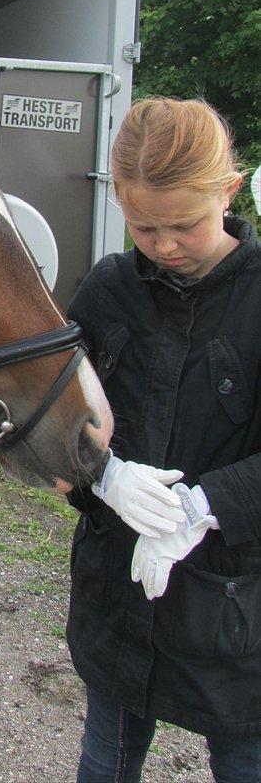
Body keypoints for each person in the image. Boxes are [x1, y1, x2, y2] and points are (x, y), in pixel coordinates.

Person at [62, 97, 260, 782]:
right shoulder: (109, 289)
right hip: (118, 603)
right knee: (105, 761)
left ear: (228, 192)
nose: (166, 244)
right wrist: (104, 476)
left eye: (186, 225)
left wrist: (207, 507)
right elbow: (49, 418)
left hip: (239, 621)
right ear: (118, 197)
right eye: (144, 226)